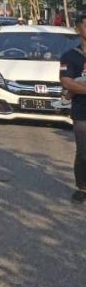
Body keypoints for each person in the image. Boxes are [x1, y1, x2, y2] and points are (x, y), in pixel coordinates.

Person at [59, 14, 86, 205]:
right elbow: (66, 82)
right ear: (78, 29)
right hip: (82, 111)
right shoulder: (70, 56)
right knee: (84, 150)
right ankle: (82, 187)